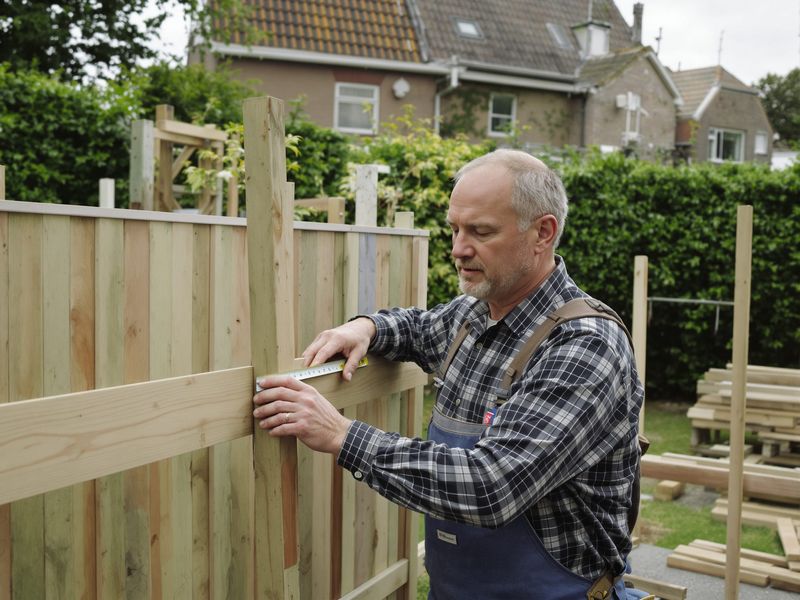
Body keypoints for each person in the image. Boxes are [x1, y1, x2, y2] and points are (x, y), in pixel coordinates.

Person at [253, 149, 645, 600]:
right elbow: (418, 328)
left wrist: (342, 435)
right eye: (455, 228)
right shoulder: (472, 316)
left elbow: (492, 485)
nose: (458, 248)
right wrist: (368, 327)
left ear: (543, 232)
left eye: (481, 231)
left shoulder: (584, 346)